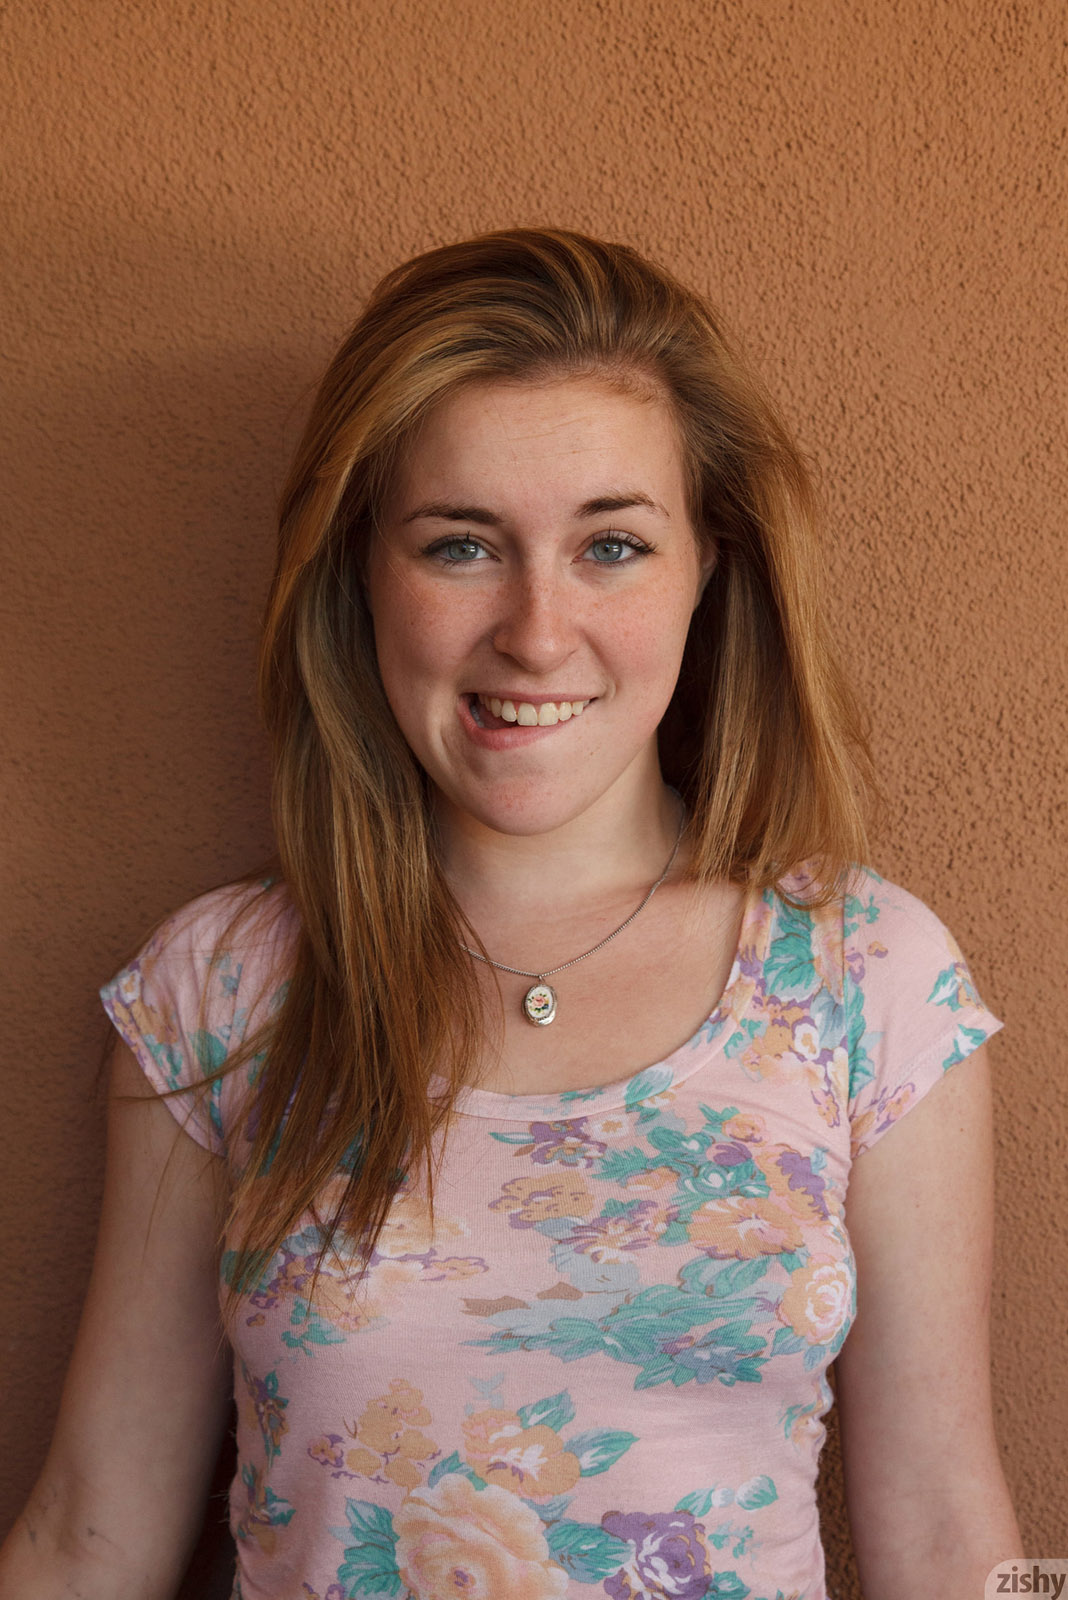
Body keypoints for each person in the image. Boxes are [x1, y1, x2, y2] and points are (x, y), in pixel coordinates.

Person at [0, 228, 1021, 1600]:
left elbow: (950, 1534)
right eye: (463, 545)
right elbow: (90, 1532)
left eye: (613, 546)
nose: (537, 633)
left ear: (709, 569)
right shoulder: (222, 991)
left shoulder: (867, 979)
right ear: (361, 570)